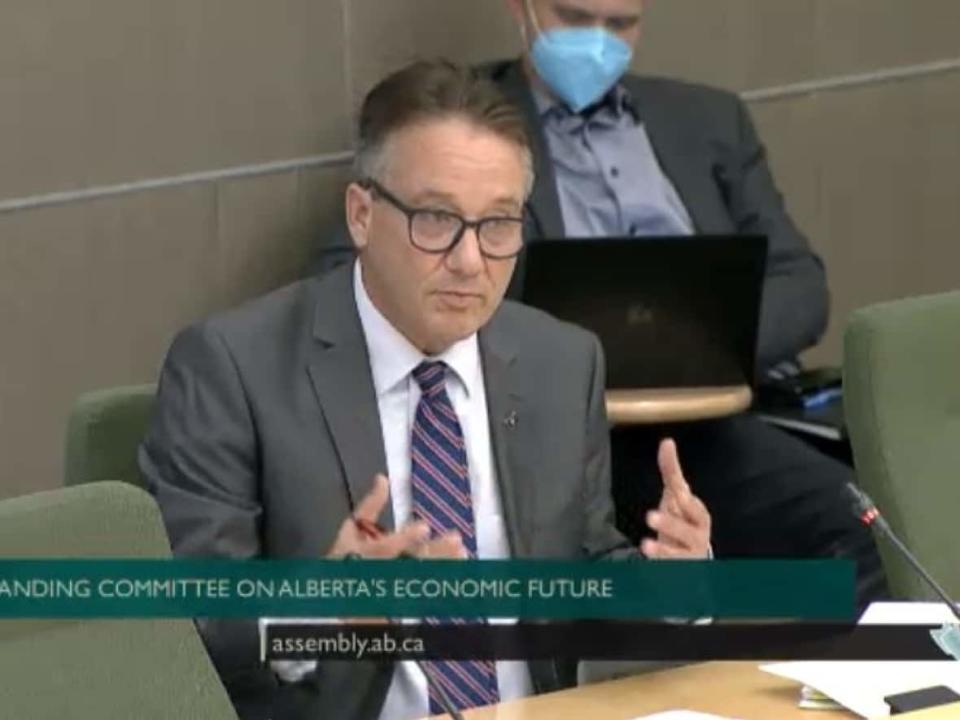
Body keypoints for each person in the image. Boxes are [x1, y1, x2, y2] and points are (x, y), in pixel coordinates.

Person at [139, 60, 711, 720]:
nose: (470, 261)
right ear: (361, 214)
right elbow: (199, 628)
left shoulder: (561, 360)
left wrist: (671, 581)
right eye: (436, 219)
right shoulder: (234, 368)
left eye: (499, 224)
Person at [315, 1, 886, 605]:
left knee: (861, 529)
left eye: (620, 24)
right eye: (576, 17)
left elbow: (801, 285)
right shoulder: (461, 131)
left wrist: (698, 347)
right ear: (523, 8)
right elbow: (355, 270)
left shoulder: (707, 119)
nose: (597, 40)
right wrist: (555, 359)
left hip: (701, 424)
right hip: (538, 427)